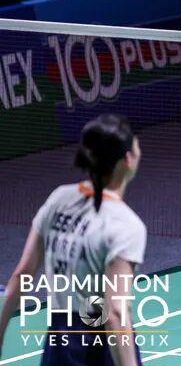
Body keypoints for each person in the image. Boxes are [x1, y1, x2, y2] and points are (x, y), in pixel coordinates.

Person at [0, 115, 146, 366]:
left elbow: (22, 274)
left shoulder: (59, 199)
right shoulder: (126, 225)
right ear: (128, 159)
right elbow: (115, 312)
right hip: (102, 343)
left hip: (61, 339)